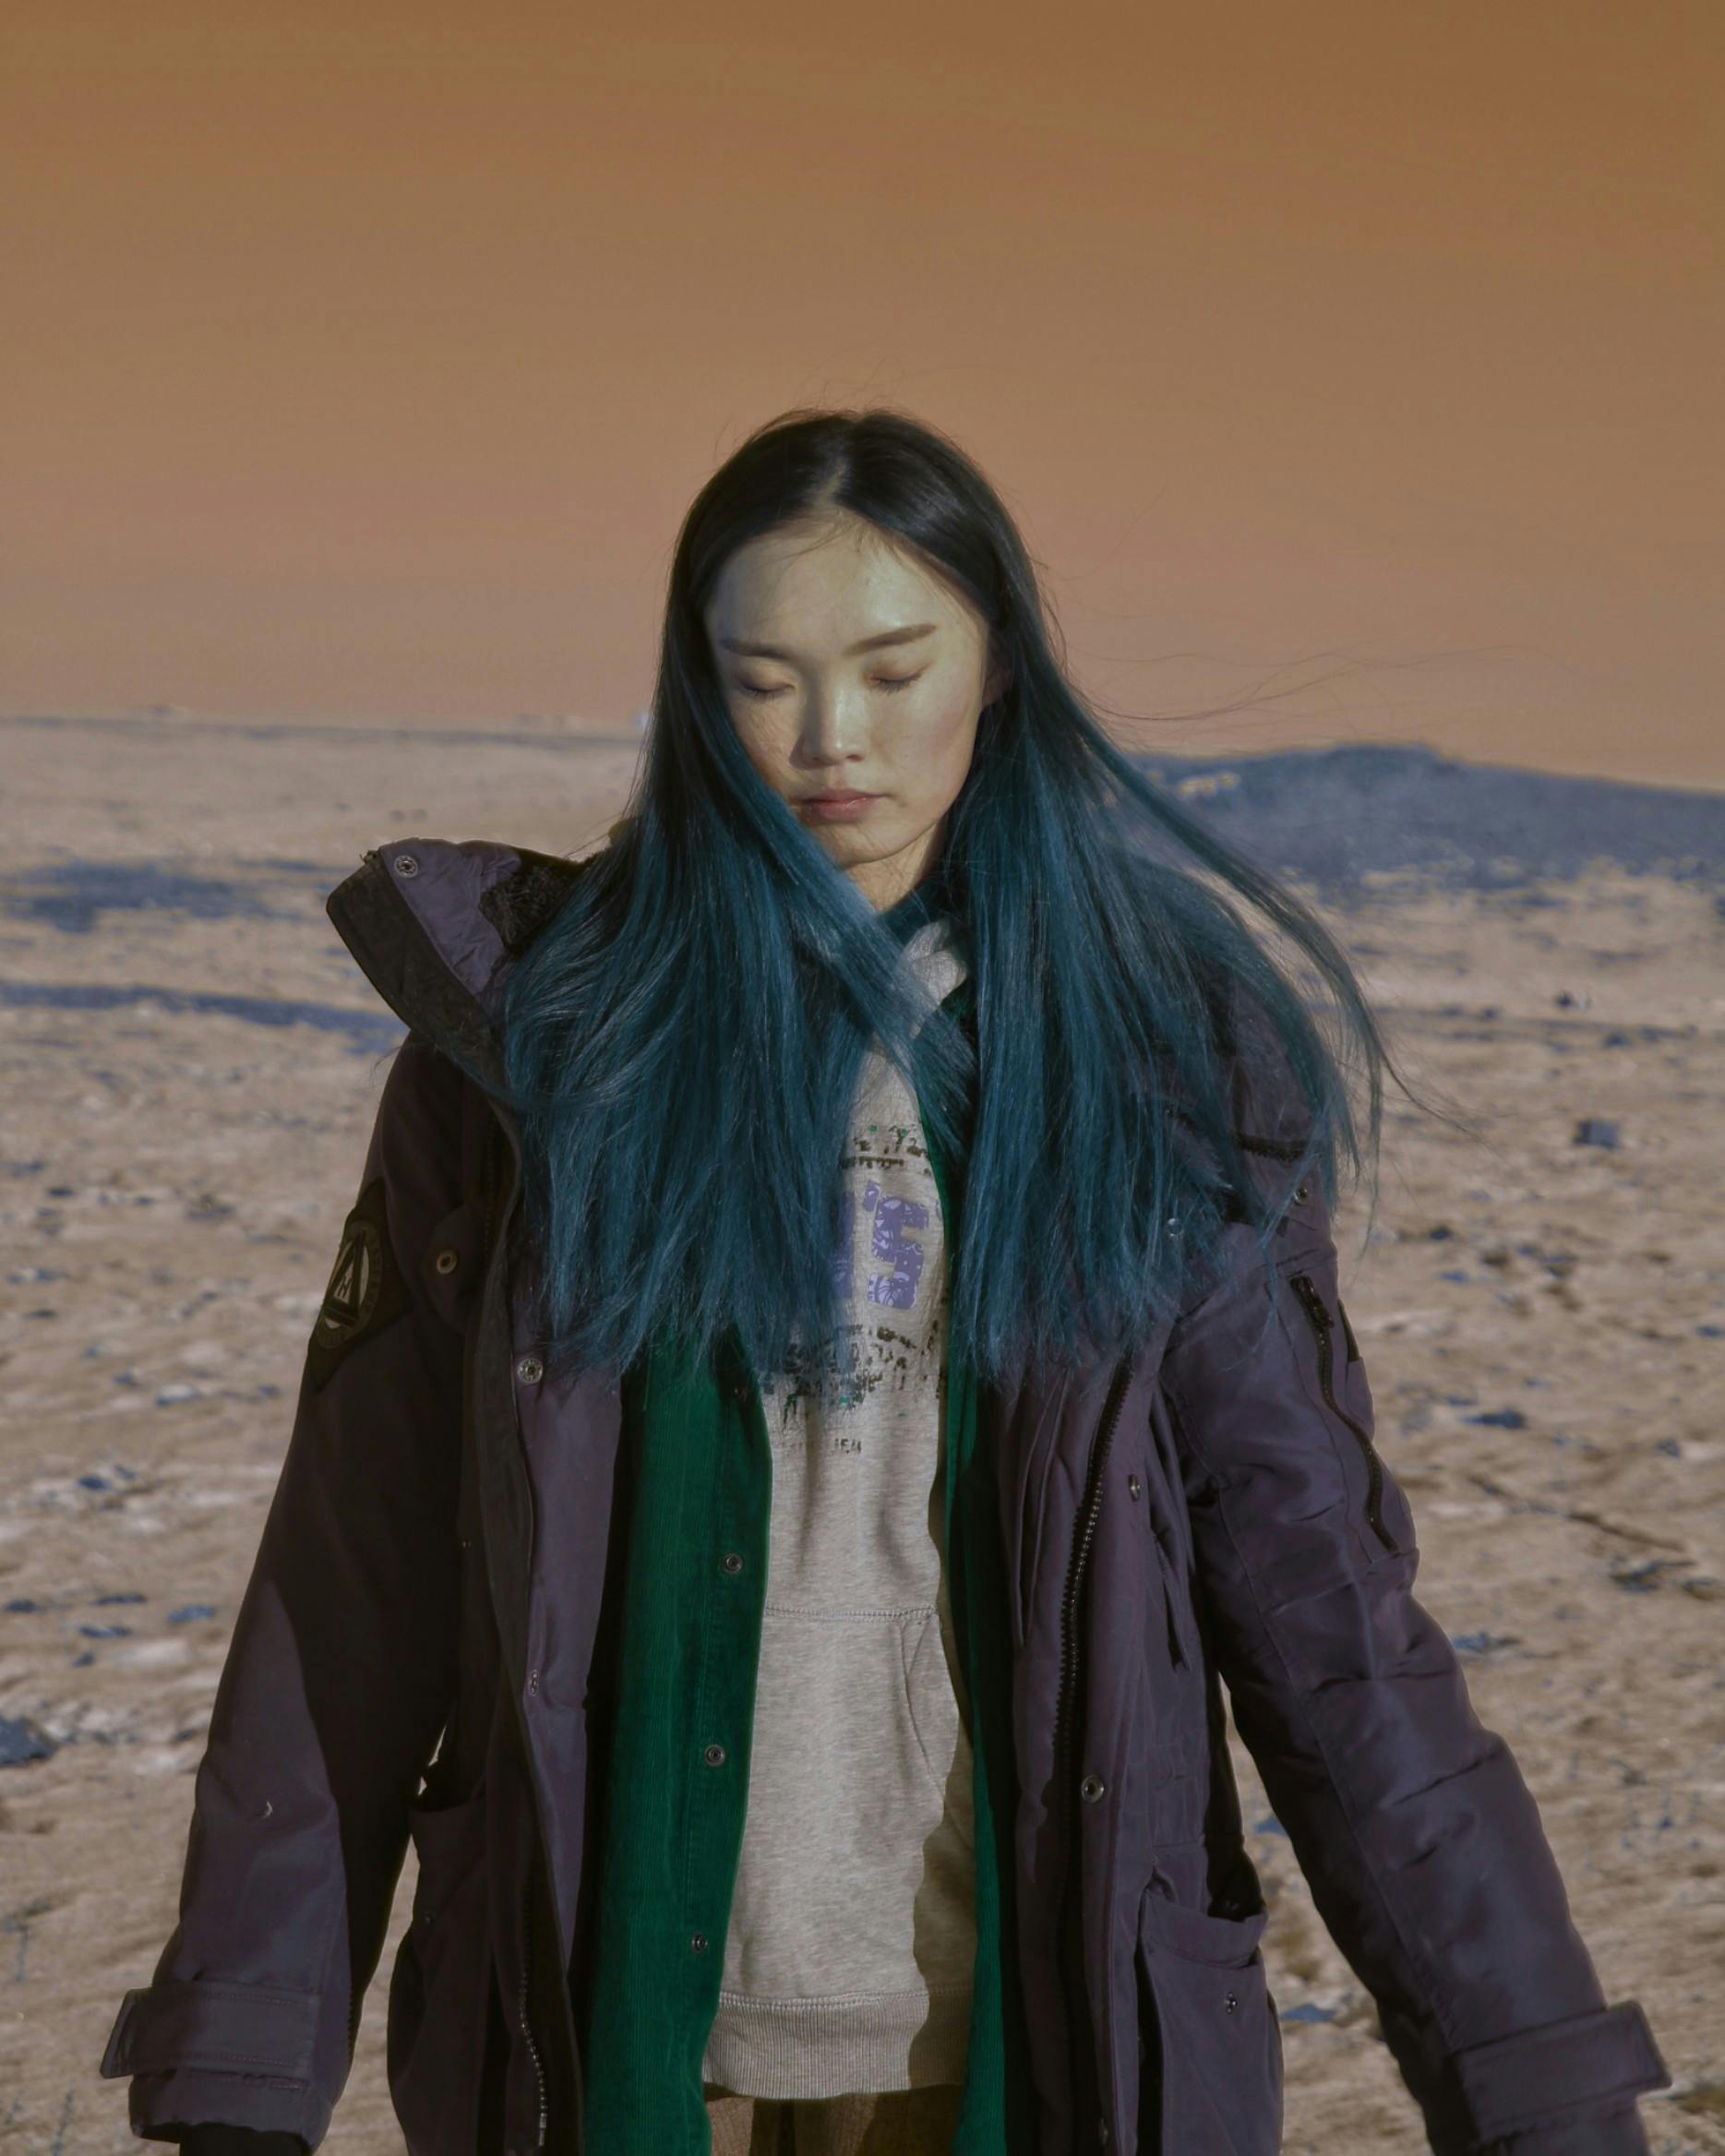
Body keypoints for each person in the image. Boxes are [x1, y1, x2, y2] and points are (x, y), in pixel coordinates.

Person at [98, 408, 1671, 2156]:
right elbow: (354, 1583)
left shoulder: (1153, 1058)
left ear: (997, 666)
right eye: (762, 679)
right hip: (613, 2031)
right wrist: (238, 2072)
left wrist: (1529, 2078)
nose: (830, 736)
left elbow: (1324, 1611)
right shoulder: (536, 1054)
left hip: (1023, 2034)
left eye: (892, 668)